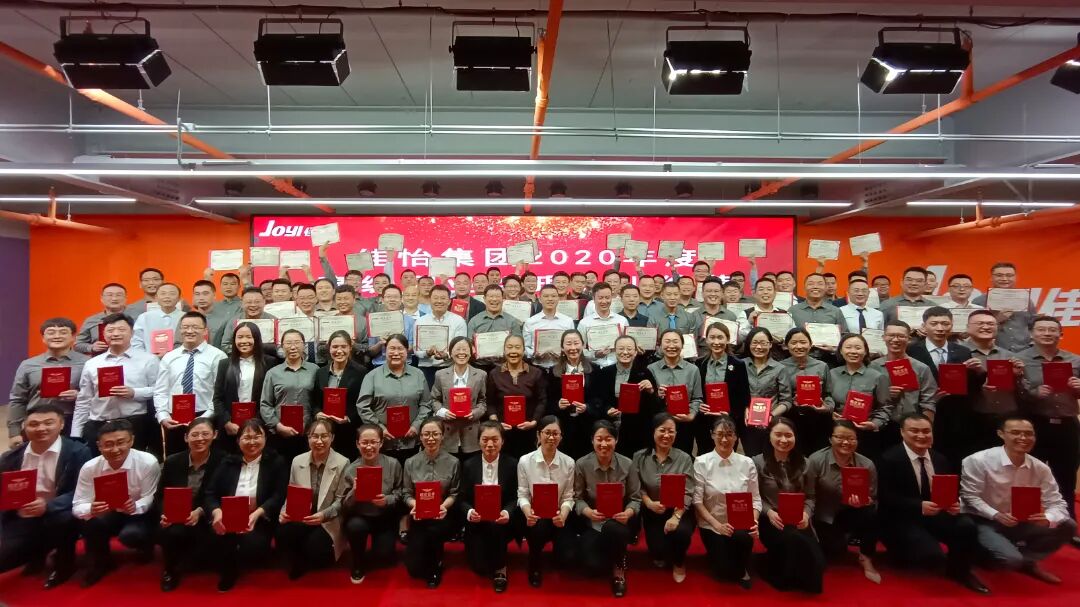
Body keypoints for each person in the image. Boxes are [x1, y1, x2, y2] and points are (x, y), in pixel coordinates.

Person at [877, 413, 988, 594]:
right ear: (902, 432)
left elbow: (949, 489)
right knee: (928, 556)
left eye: (926, 431)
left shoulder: (940, 458)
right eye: (914, 431)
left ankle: (960, 572)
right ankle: (899, 555)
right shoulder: (889, 459)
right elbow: (884, 497)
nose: (921, 435)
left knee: (966, 526)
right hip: (902, 518)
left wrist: (954, 504)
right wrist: (918, 506)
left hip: (936, 514)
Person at [961, 415, 1075, 583]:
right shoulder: (978, 460)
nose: (1023, 438)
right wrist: (996, 515)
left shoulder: (1040, 468)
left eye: (1029, 434)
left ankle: (1027, 562)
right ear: (1001, 434)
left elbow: (1057, 503)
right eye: (1015, 432)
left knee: (1067, 525)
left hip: (1020, 521)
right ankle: (984, 555)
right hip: (984, 521)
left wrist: (1048, 517)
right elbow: (969, 497)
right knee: (1009, 559)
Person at [0, 403, 92, 589]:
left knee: (63, 520)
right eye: (34, 424)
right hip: (21, 514)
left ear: (61, 424)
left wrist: (48, 505)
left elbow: (84, 490)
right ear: (24, 426)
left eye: (48, 423)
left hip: (59, 512)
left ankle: (64, 565)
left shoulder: (77, 452)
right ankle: (34, 555)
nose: (41, 428)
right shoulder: (11, 457)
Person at [72, 419, 160, 587]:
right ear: (99, 446)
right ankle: (99, 563)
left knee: (133, 534)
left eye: (121, 442)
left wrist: (135, 507)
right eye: (108, 444)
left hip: (138, 513)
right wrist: (91, 508)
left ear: (131, 441)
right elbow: (78, 505)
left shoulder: (148, 462)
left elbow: (150, 497)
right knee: (90, 522)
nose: (115, 449)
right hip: (107, 512)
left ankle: (145, 547)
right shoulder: (90, 467)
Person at [205, 419, 287, 591]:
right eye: (247, 437)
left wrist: (257, 513)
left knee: (253, 546)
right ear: (238, 440)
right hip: (228, 516)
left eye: (257, 437)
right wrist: (217, 512)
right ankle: (229, 570)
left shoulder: (276, 462)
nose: (252, 442)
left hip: (260, 517)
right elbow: (210, 493)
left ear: (265, 438)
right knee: (214, 538)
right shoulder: (227, 462)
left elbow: (279, 495)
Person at [1015, 315, 1080, 522]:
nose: (1047, 333)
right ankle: (1026, 522)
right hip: (1034, 425)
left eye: (1052, 330)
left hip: (1067, 425)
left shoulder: (1075, 359)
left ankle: (1066, 522)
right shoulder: (1019, 360)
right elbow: (1013, 394)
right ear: (1031, 334)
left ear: (1061, 334)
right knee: (1028, 475)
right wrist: (1034, 393)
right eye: (1041, 329)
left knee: (1066, 476)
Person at [752, 417, 825, 593]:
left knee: (818, 563)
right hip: (771, 520)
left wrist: (806, 514)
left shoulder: (806, 463)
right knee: (792, 543)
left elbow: (810, 497)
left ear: (795, 437)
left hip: (799, 519)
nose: (784, 440)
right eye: (778, 435)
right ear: (769, 436)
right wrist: (769, 513)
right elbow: (755, 496)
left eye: (788, 435)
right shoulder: (757, 462)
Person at [805, 419, 882, 583]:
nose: (846, 442)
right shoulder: (816, 460)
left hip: (854, 512)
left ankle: (866, 557)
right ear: (830, 439)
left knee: (873, 513)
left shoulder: (866, 464)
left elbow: (873, 498)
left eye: (851, 438)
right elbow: (809, 495)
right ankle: (841, 539)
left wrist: (865, 501)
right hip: (825, 516)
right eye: (840, 437)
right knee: (834, 551)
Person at [72, 313, 160, 454]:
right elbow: (84, 399)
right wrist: (76, 432)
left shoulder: (148, 360)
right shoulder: (92, 363)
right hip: (99, 424)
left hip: (135, 424)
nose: (115, 334)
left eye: (121, 329)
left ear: (132, 333)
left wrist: (134, 392)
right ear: (104, 334)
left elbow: (159, 390)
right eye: (110, 330)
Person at [154, 418, 223, 591]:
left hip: (209, 513)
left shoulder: (223, 460)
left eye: (205, 434)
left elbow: (224, 493)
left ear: (215, 435)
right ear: (186, 437)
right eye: (195, 434)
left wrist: (200, 511)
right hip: (178, 514)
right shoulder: (173, 461)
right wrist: (165, 513)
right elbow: (160, 495)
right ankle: (170, 570)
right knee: (171, 531)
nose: (200, 439)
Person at [574, 421, 641, 597]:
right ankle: (611, 555)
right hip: (594, 523)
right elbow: (577, 498)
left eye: (608, 439)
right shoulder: (581, 464)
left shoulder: (627, 464)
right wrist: (588, 512)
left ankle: (619, 568)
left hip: (620, 522)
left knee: (613, 529)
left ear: (616, 440)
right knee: (592, 566)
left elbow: (636, 498)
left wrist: (628, 512)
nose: (604, 444)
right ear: (592, 440)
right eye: (599, 439)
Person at [276, 419, 349, 580]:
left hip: (327, 519)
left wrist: (324, 515)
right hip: (302, 516)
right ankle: (298, 560)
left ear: (332, 438)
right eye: (314, 436)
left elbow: (340, 501)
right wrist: (284, 511)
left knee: (316, 548)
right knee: (282, 532)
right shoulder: (297, 461)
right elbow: (291, 493)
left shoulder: (343, 462)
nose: (319, 441)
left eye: (324, 436)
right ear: (308, 438)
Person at [693, 414, 759, 588]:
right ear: (712, 435)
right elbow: (697, 501)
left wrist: (754, 521)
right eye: (720, 434)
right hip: (713, 525)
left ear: (736, 437)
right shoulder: (701, 462)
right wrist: (717, 525)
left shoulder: (747, 462)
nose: (724, 439)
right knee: (722, 572)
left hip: (740, 525)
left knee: (743, 541)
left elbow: (756, 498)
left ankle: (743, 566)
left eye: (729, 434)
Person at [153, 311, 227, 456]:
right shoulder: (169, 357)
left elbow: (219, 392)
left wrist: (206, 416)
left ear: (205, 331)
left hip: (205, 415)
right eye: (185, 327)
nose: (189, 331)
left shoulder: (218, 356)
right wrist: (163, 416)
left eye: (195, 327)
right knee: (176, 460)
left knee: (208, 459)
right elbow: (160, 390)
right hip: (174, 418)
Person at [632, 413, 695, 583]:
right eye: (662, 430)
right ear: (653, 431)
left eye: (671, 431)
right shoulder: (639, 457)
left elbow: (688, 491)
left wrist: (676, 516)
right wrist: (649, 503)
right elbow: (636, 487)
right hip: (653, 509)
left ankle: (679, 562)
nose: (666, 435)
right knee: (658, 552)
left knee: (681, 533)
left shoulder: (684, 458)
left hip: (679, 509)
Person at [7, 317, 88, 448]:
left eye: (63, 332)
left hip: (74, 423)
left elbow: (96, 394)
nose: (57, 336)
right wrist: (14, 432)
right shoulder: (28, 365)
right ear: (43, 338)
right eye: (51, 332)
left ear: (73, 337)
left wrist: (79, 395)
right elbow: (17, 399)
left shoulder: (87, 363)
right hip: (37, 422)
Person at [516, 416, 577, 587]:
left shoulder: (569, 462)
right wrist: (528, 512)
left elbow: (568, 496)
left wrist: (563, 515)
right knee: (538, 528)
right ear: (538, 435)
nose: (551, 437)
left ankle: (558, 552)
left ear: (561, 437)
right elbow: (522, 494)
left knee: (568, 557)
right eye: (547, 433)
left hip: (559, 516)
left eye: (555, 434)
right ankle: (534, 561)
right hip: (535, 516)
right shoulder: (525, 461)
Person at [956, 310, 1026, 458]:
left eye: (990, 324)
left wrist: (1018, 375)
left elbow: (1023, 391)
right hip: (971, 419)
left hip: (1006, 418)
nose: (986, 327)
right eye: (980, 323)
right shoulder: (957, 353)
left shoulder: (1009, 356)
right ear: (968, 327)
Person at [460, 421, 519, 592]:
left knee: (496, 529)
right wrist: (470, 512)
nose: (490, 444)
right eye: (485, 440)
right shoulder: (469, 465)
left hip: (501, 522)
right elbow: (461, 498)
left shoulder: (512, 464)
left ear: (503, 441)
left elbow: (516, 496)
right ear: (478, 441)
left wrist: (507, 512)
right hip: (477, 522)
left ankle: (501, 568)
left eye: (495, 439)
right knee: (480, 568)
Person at [341, 424, 404, 583]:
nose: (369, 447)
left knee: (384, 555)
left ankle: (378, 548)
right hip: (360, 515)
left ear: (381, 443)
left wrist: (387, 500)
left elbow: (400, 492)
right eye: (364, 442)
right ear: (357, 444)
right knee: (355, 527)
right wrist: (354, 492)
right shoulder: (350, 469)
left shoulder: (393, 464)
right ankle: (357, 562)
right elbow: (344, 504)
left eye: (373, 442)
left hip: (384, 515)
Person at [402, 418, 461, 588]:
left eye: (435, 434)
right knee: (414, 569)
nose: (430, 438)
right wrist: (415, 505)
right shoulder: (410, 462)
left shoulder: (453, 462)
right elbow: (406, 493)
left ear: (442, 436)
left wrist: (443, 506)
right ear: (420, 437)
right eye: (426, 434)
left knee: (434, 531)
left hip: (443, 515)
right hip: (419, 515)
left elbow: (455, 493)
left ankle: (437, 564)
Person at [357, 333, 433, 462]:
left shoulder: (418, 374)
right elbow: (363, 406)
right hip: (383, 443)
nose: (396, 353)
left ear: (407, 351)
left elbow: (426, 404)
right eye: (391, 348)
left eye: (400, 349)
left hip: (411, 441)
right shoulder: (372, 376)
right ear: (385, 351)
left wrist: (416, 426)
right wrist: (380, 429)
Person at [871, 320, 938, 448]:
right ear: (883, 337)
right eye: (891, 335)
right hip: (880, 426)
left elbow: (928, 403)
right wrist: (885, 394)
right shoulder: (872, 367)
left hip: (913, 429)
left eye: (901, 336)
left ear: (909, 339)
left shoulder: (921, 368)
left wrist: (926, 432)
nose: (895, 340)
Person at [827, 333, 892, 461]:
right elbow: (827, 398)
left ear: (865, 351)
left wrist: (874, 424)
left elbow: (886, 407)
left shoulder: (877, 377)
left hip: (865, 434)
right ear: (841, 351)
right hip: (836, 432)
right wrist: (830, 412)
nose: (853, 351)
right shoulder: (832, 374)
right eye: (848, 347)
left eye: (858, 348)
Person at [212, 322, 275, 453]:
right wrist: (227, 422)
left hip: (259, 426)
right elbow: (217, 398)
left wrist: (256, 423)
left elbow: (271, 398)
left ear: (256, 339)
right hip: (230, 428)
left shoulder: (269, 363)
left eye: (248, 337)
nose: (244, 341)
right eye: (240, 337)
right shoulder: (224, 364)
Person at [260, 329, 320, 461]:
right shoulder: (273, 373)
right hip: (280, 434)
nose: (293, 347)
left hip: (308, 434)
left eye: (297, 342)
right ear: (282, 346)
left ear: (304, 345)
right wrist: (277, 425)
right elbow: (265, 404)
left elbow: (318, 401)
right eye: (288, 343)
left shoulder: (315, 370)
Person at [596, 335, 660, 457]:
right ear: (615, 351)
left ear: (635, 352)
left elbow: (655, 406)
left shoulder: (644, 372)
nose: (625, 352)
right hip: (609, 427)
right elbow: (598, 399)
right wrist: (606, 409)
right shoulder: (605, 372)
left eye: (629, 349)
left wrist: (651, 391)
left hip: (637, 428)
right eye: (621, 349)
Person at [693, 323, 751, 455]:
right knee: (704, 456)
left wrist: (729, 412)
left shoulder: (738, 365)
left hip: (728, 421)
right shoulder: (699, 363)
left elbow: (744, 397)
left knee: (727, 456)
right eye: (712, 337)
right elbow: (696, 392)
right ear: (706, 340)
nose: (716, 342)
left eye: (720, 337)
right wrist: (699, 405)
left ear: (728, 339)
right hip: (704, 420)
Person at [486, 334, 547, 458]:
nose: (513, 351)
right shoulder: (494, 374)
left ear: (523, 350)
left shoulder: (536, 373)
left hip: (528, 431)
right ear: (504, 350)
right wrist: (496, 423)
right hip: (502, 432)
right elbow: (490, 402)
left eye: (517, 347)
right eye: (509, 347)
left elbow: (542, 400)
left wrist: (534, 422)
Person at [429, 336, 489, 462]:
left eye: (465, 349)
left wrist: (475, 413)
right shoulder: (441, 375)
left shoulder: (480, 375)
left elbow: (482, 401)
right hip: (448, 430)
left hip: (471, 430)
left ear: (471, 352)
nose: (461, 353)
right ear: (450, 353)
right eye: (457, 349)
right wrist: (443, 412)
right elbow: (434, 399)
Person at [313, 331, 369, 460]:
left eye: (343, 346)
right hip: (326, 432)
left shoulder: (361, 372)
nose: (339, 351)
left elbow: (364, 401)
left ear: (350, 347)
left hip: (350, 431)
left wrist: (349, 418)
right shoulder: (320, 372)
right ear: (329, 348)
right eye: (335, 347)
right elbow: (315, 401)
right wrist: (317, 413)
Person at [647, 330, 703, 454]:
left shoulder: (693, 370)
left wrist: (691, 415)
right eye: (667, 342)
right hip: (658, 425)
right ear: (660, 345)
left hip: (684, 425)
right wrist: (657, 394)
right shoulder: (650, 369)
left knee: (683, 457)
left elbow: (697, 398)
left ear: (682, 345)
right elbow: (646, 400)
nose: (671, 346)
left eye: (675, 341)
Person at [739, 327, 792, 457]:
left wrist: (771, 416)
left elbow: (786, 401)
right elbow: (735, 395)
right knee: (750, 458)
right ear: (749, 344)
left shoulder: (780, 369)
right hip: (745, 423)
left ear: (770, 344)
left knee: (769, 459)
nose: (759, 347)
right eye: (755, 343)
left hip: (771, 424)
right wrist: (744, 409)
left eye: (763, 343)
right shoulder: (740, 365)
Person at [781, 328, 833, 454]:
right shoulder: (780, 366)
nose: (799, 346)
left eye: (803, 342)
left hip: (818, 419)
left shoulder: (822, 366)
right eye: (794, 343)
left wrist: (827, 407)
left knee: (817, 454)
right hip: (790, 418)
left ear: (810, 344)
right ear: (786, 346)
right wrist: (791, 402)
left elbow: (829, 394)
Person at [547, 330, 598, 459]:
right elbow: (547, 400)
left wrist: (587, 407)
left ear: (583, 345)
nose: (573, 348)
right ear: (562, 347)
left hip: (587, 425)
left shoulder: (595, 370)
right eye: (568, 344)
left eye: (576, 343)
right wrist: (558, 405)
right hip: (563, 425)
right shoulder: (553, 372)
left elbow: (599, 399)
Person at [413, 284, 468, 387]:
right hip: (426, 369)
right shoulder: (420, 322)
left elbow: (461, 348)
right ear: (430, 300)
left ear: (449, 301)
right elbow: (416, 350)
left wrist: (446, 355)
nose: (439, 301)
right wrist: (427, 353)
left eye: (443, 298)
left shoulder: (458, 321)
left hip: (450, 369)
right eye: (435, 298)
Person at [972, 262, 1034, 352]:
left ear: (1015, 278)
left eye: (1009, 275)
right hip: (993, 352)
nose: (1004, 279)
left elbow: (1032, 325)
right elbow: (973, 329)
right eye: (999, 275)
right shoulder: (979, 301)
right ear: (991, 278)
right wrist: (996, 320)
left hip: (1023, 351)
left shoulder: (1026, 299)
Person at [577, 284, 630, 369]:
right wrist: (594, 354)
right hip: (593, 367)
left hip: (618, 366)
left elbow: (627, 345)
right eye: (600, 298)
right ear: (593, 299)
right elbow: (579, 349)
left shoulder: (622, 321)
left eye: (607, 297)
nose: (604, 301)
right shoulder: (584, 323)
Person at [523, 284, 576, 369]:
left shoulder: (567, 321)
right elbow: (525, 347)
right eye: (546, 296)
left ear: (558, 299)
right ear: (540, 299)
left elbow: (572, 344)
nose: (550, 299)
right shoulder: (530, 322)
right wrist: (534, 353)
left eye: (553, 296)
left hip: (560, 367)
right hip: (537, 367)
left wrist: (563, 352)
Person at [76, 283, 129, 356]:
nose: (114, 298)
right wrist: (91, 347)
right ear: (102, 298)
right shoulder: (91, 320)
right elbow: (78, 344)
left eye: (119, 295)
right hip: (100, 359)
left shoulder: (137, 317)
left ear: (126, 298)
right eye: (109, 295)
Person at [130, 282, 184, 353]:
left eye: (172, 293)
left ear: (179, 298)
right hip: (149, 358)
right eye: (163, 293)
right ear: (156, 298)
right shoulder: (144, 317)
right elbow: (136, 342)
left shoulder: (186, 317)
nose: (167, 296)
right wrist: (146, 357)